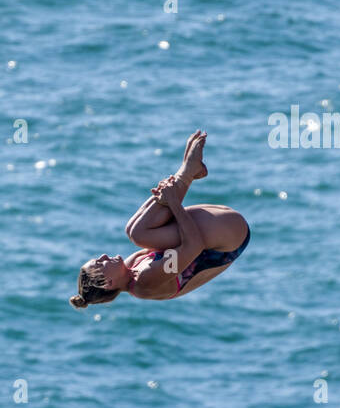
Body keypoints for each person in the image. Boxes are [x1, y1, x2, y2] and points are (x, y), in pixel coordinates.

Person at [70, 131, 250, 307]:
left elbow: (163, 236)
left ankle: (185, 173)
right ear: (107, 283)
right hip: (229, 241)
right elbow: (193, 246)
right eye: (100, 263)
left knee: (134, 231)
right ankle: (186, 172)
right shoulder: (146, 281)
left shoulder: (131, 266)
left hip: (218, 229)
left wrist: (168, 198)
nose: (102, 256)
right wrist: (173, 203)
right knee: (139, 234)